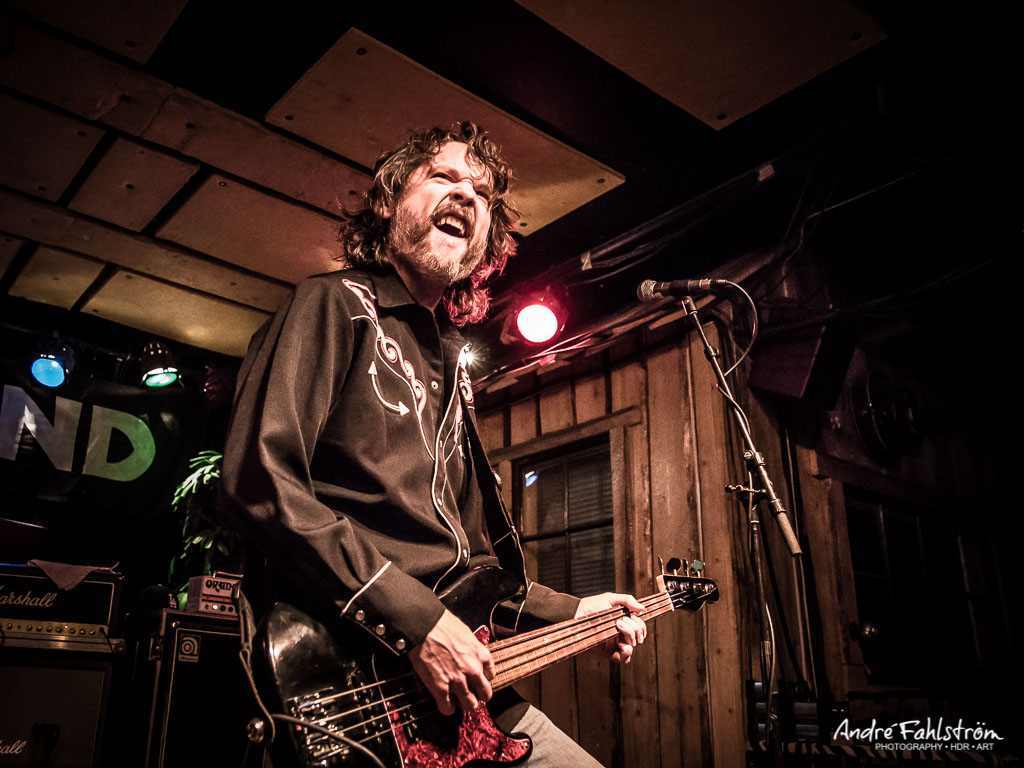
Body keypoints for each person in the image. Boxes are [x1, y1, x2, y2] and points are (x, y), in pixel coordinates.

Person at [220, 122, 646, 767]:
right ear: (389, 202)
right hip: (349, 671)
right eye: (444, 177)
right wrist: (417, 621)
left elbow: (473, 567)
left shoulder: (451, 362)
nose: (467, 196)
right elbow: (259, 479)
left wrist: (575, 610)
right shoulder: (333, 304)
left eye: (483, 193)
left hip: (453, 694)